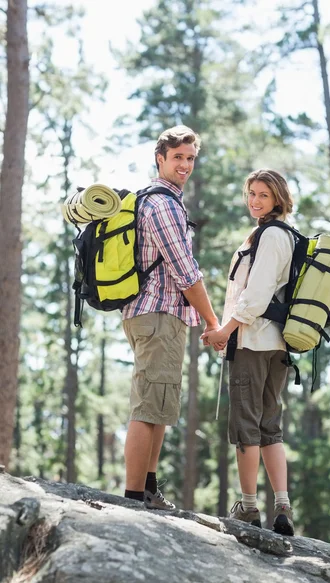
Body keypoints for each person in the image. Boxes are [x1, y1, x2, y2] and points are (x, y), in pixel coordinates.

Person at [122, 125, 219, 509]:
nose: (185, 164)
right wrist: (213, 322)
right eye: (178, 157)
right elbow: (186, 272)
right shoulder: (162, 204)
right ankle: (133, 499)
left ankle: (147, 488)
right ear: (160, 158)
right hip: (157, 314)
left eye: (190, 158)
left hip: (160, 316)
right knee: (148, 406)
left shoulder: (165, 200)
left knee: (159, 404)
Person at [203, 169, 295, 536]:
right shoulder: (284, 235)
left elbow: (254, 296)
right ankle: (283, 507)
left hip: (254, 340)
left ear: (278, 199)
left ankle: (249, 507)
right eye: (251, 193)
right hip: (279, 343)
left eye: (263, 195)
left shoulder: (270, 236)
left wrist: (225, 331)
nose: (255, 201)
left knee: (247, 426)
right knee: (270, 425)